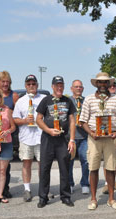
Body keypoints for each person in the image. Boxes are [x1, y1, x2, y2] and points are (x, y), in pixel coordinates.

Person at [79, 72, 116, 210]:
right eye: (100, 82)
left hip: (110, 139)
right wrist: (91, 133)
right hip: (94, 138)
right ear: (96, 84)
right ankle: (93, 199)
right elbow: (82, 121)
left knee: (111, 169)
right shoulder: (89, 99)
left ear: (109, 84)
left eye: (105, 82)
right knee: (93, 168)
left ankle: (111, 199)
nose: (102, 85)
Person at [36, 76, 76, 208]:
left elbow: (71, 121)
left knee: (64, 168)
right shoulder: (45, 100)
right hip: (48, 138)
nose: (59, 88)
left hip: (62, 139)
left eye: (61, 85)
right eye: (57, 85)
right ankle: (43, 197)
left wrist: (71, 140)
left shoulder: (67, 101)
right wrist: (48, 130)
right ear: (52, 86)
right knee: (44, 168)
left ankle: (65, 196)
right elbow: (38, 119)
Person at [13, 75, 46, 202]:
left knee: (42, 165)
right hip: (26, 137)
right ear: (25, 86)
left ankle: (43, 189)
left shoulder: (44, 99)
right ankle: (27, 189)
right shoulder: (21, 101)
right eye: (29, 84)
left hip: (41, 137)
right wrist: (25, 120)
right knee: (26, 163)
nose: (31, 86)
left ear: (37, 85)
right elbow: (15, 119)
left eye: (33, 84)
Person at [101, 82, 116, 194]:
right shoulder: (102, 99)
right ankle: (107, 183)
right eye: (110, 86)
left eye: (114, 86)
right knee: (107, 159)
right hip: (105, 134)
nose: (112, 87)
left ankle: (113, 181)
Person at [68, 79, 90, 195]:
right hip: (71, 137)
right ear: (71, 88)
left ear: (83, 89)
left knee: (85, 161)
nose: (78, 89)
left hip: (84, 136)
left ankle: (85, 183)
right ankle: (70, 184)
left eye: (80, 87)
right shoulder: (68, 101)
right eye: (76, 87)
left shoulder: (87, 101)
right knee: (69, 161)